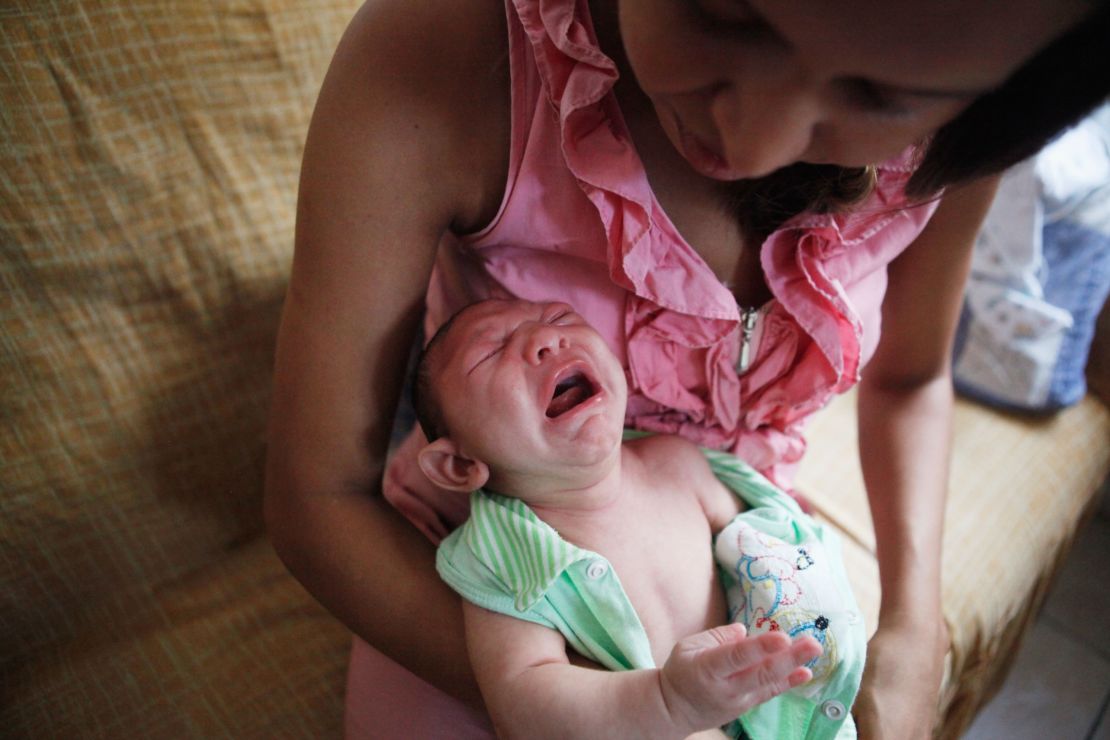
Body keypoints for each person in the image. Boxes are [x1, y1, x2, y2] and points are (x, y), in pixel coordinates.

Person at [263, 0, 1110, 737]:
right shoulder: (451, 57)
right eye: (726, 15)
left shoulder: (970, 116)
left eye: (883, 97)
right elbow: (318, 498)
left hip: (710, 558)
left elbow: (911, 379)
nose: (756, 140)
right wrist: (632, 713)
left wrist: (915, 630)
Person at [414, 297, 865, 739]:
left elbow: (776, 547)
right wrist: (668, 703)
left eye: (560, 317)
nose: (546, 337)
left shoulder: (678, 465)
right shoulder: (504, 559)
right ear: (459, 466)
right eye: (491, 352)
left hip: (789, 707)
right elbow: (523, 703)